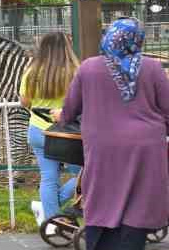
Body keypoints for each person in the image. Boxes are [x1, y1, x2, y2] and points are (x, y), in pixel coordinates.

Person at [55, 18, 169, 250]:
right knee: (139, 200)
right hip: (145, 147)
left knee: (102, 194)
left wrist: (60, 116)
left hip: (103, 146)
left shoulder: (88, 67)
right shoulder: (153, 67)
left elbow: (69, 111)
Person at [19, 32, 81, 228]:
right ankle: (53, 212)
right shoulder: (76, 71)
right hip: (68, 133)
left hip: (38, 130)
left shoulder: (31, 72)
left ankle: (52, 221)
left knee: (48, 177)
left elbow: (25, 102)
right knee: (87, 173)